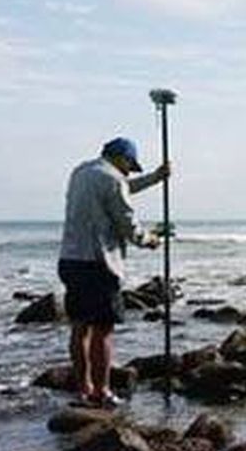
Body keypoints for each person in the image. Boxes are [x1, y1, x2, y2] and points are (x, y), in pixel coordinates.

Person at [58, 137, 170, 407]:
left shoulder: (81, 172)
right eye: (130, 165)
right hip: (99, 263)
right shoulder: (114, 179)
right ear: (121, 158)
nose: (130, 172)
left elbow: (120, 190)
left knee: (80, 328)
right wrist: (150, 239)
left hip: (71, 259)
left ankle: (84, 389)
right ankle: (102, 392)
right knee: (103, 330)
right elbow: (128, 225)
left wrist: (155, 179)